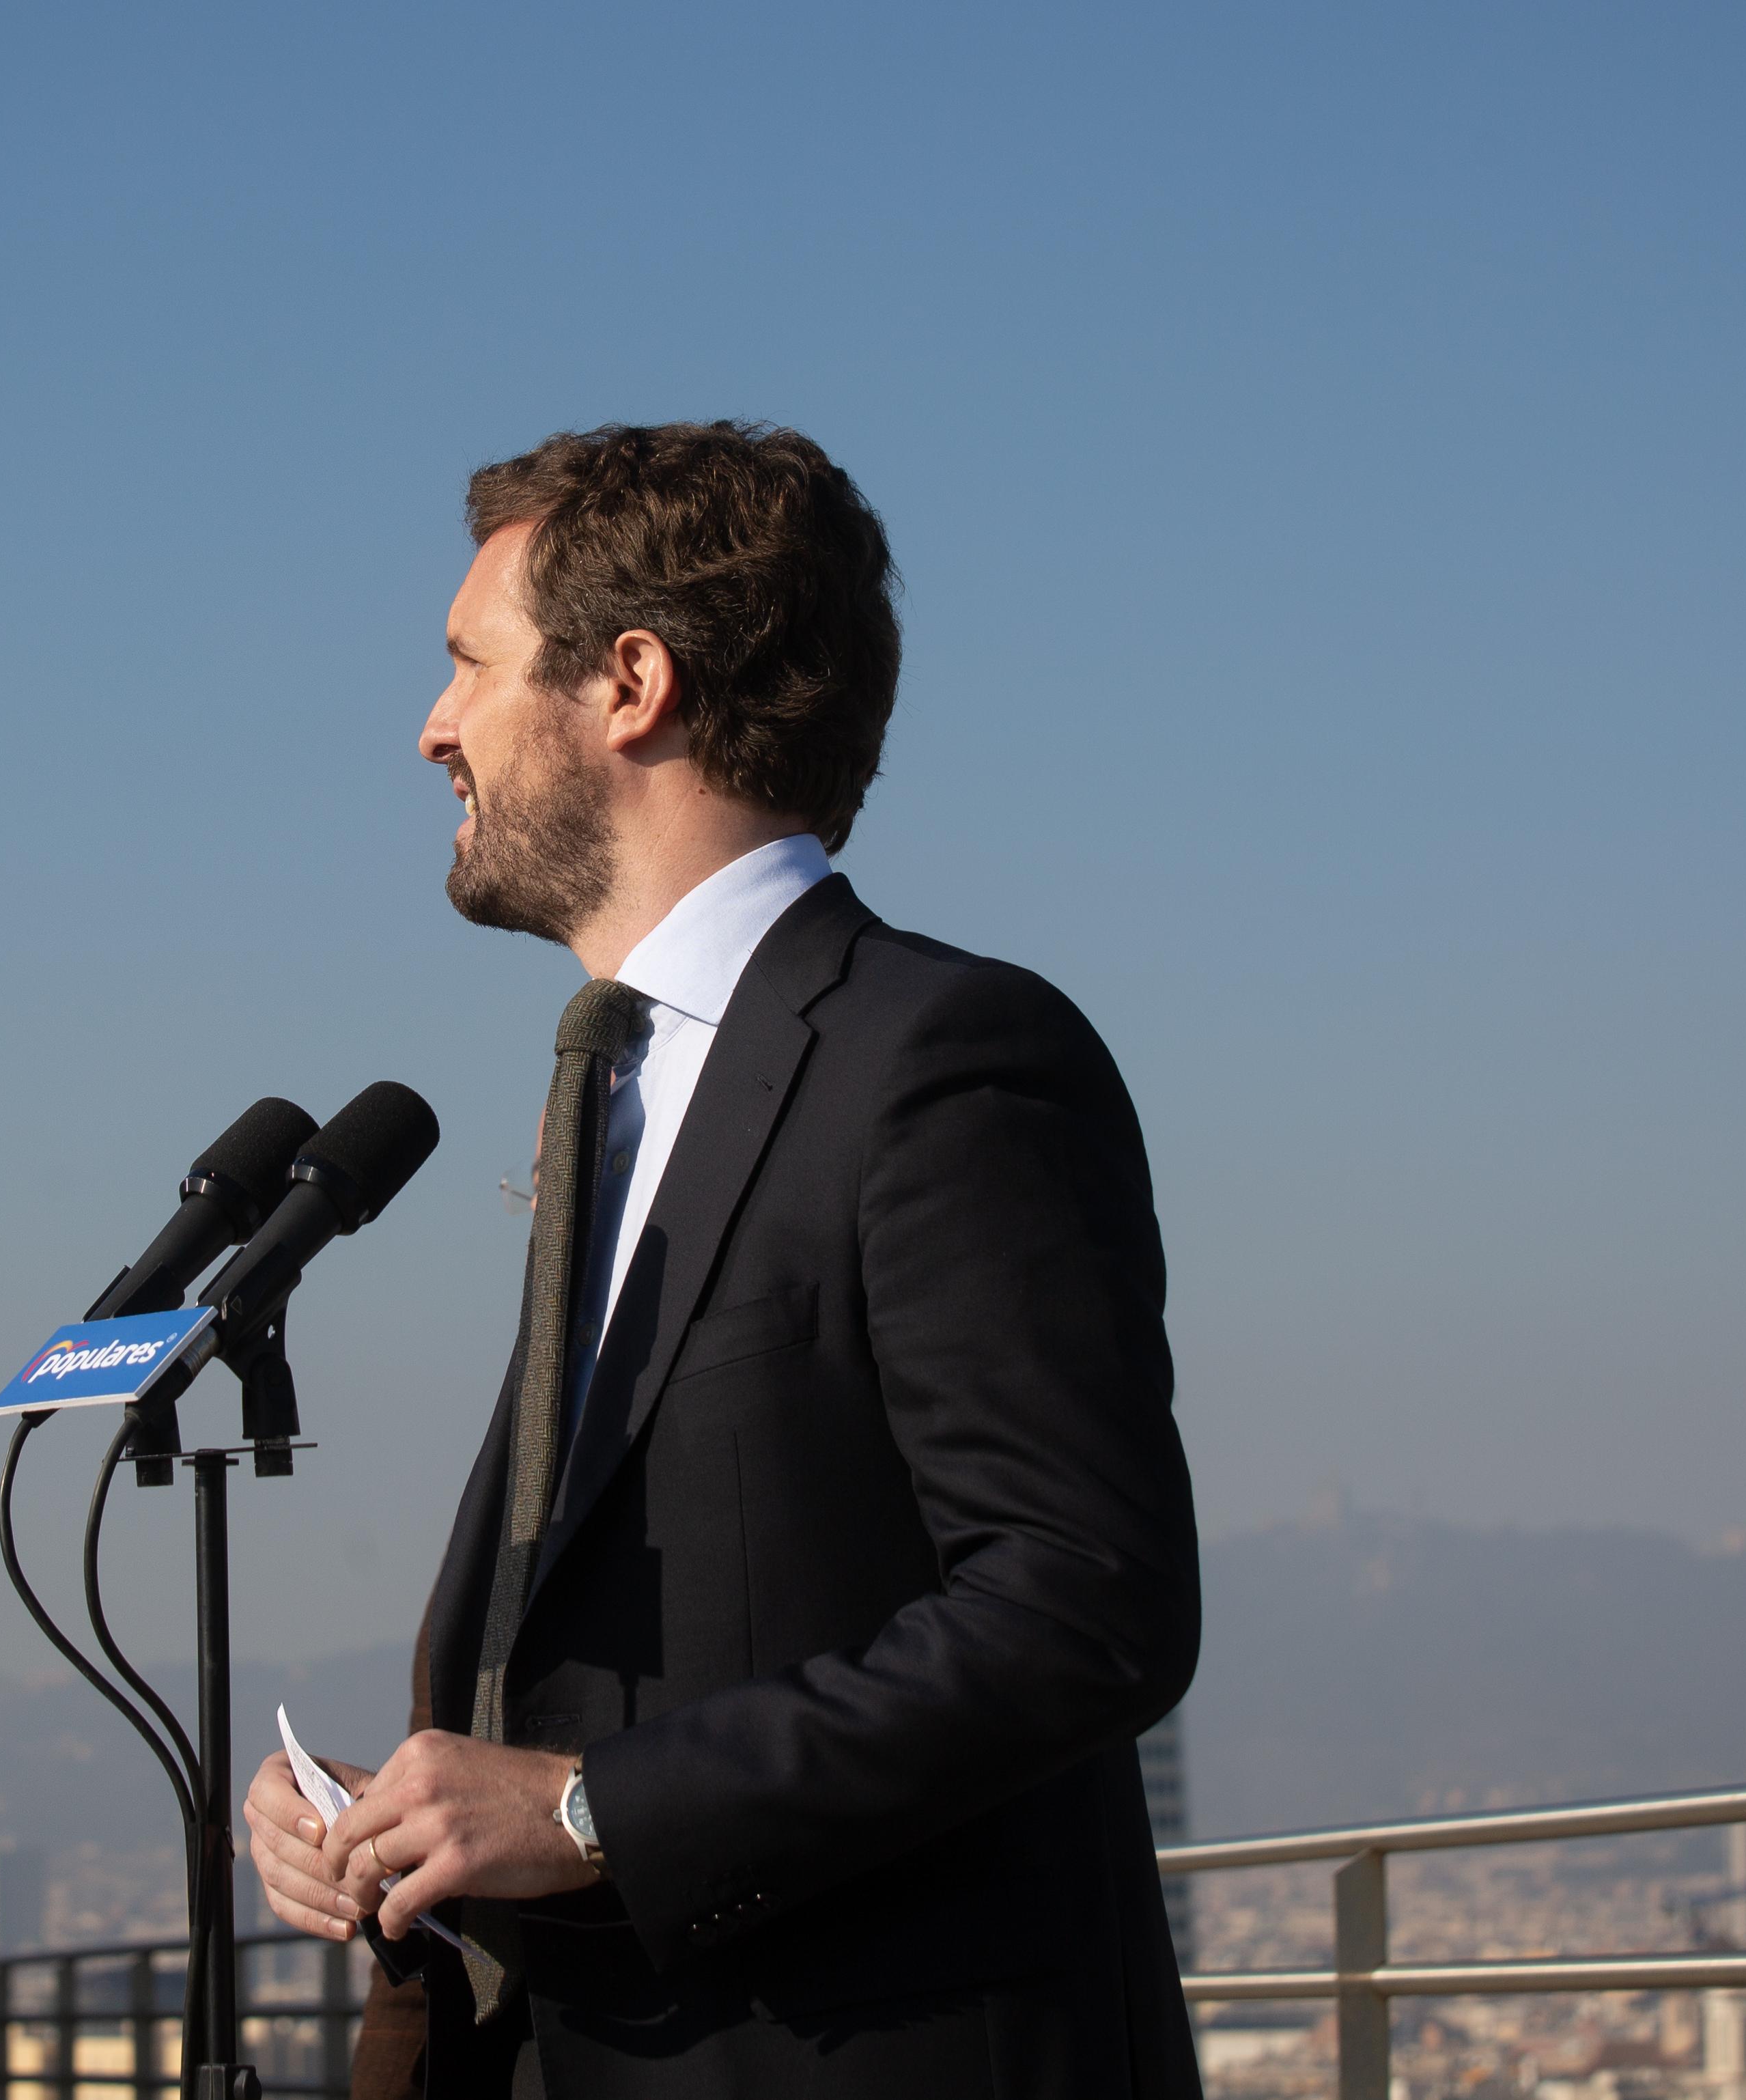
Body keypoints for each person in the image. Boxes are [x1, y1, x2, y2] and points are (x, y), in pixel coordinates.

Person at [244, 423, 1202, 2098]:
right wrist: (408, 1820)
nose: (431, 726)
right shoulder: (617, 1090)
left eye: (468, 664)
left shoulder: (946, 1053)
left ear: (630, 682)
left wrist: (587, 1811)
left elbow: (1084, 1600)